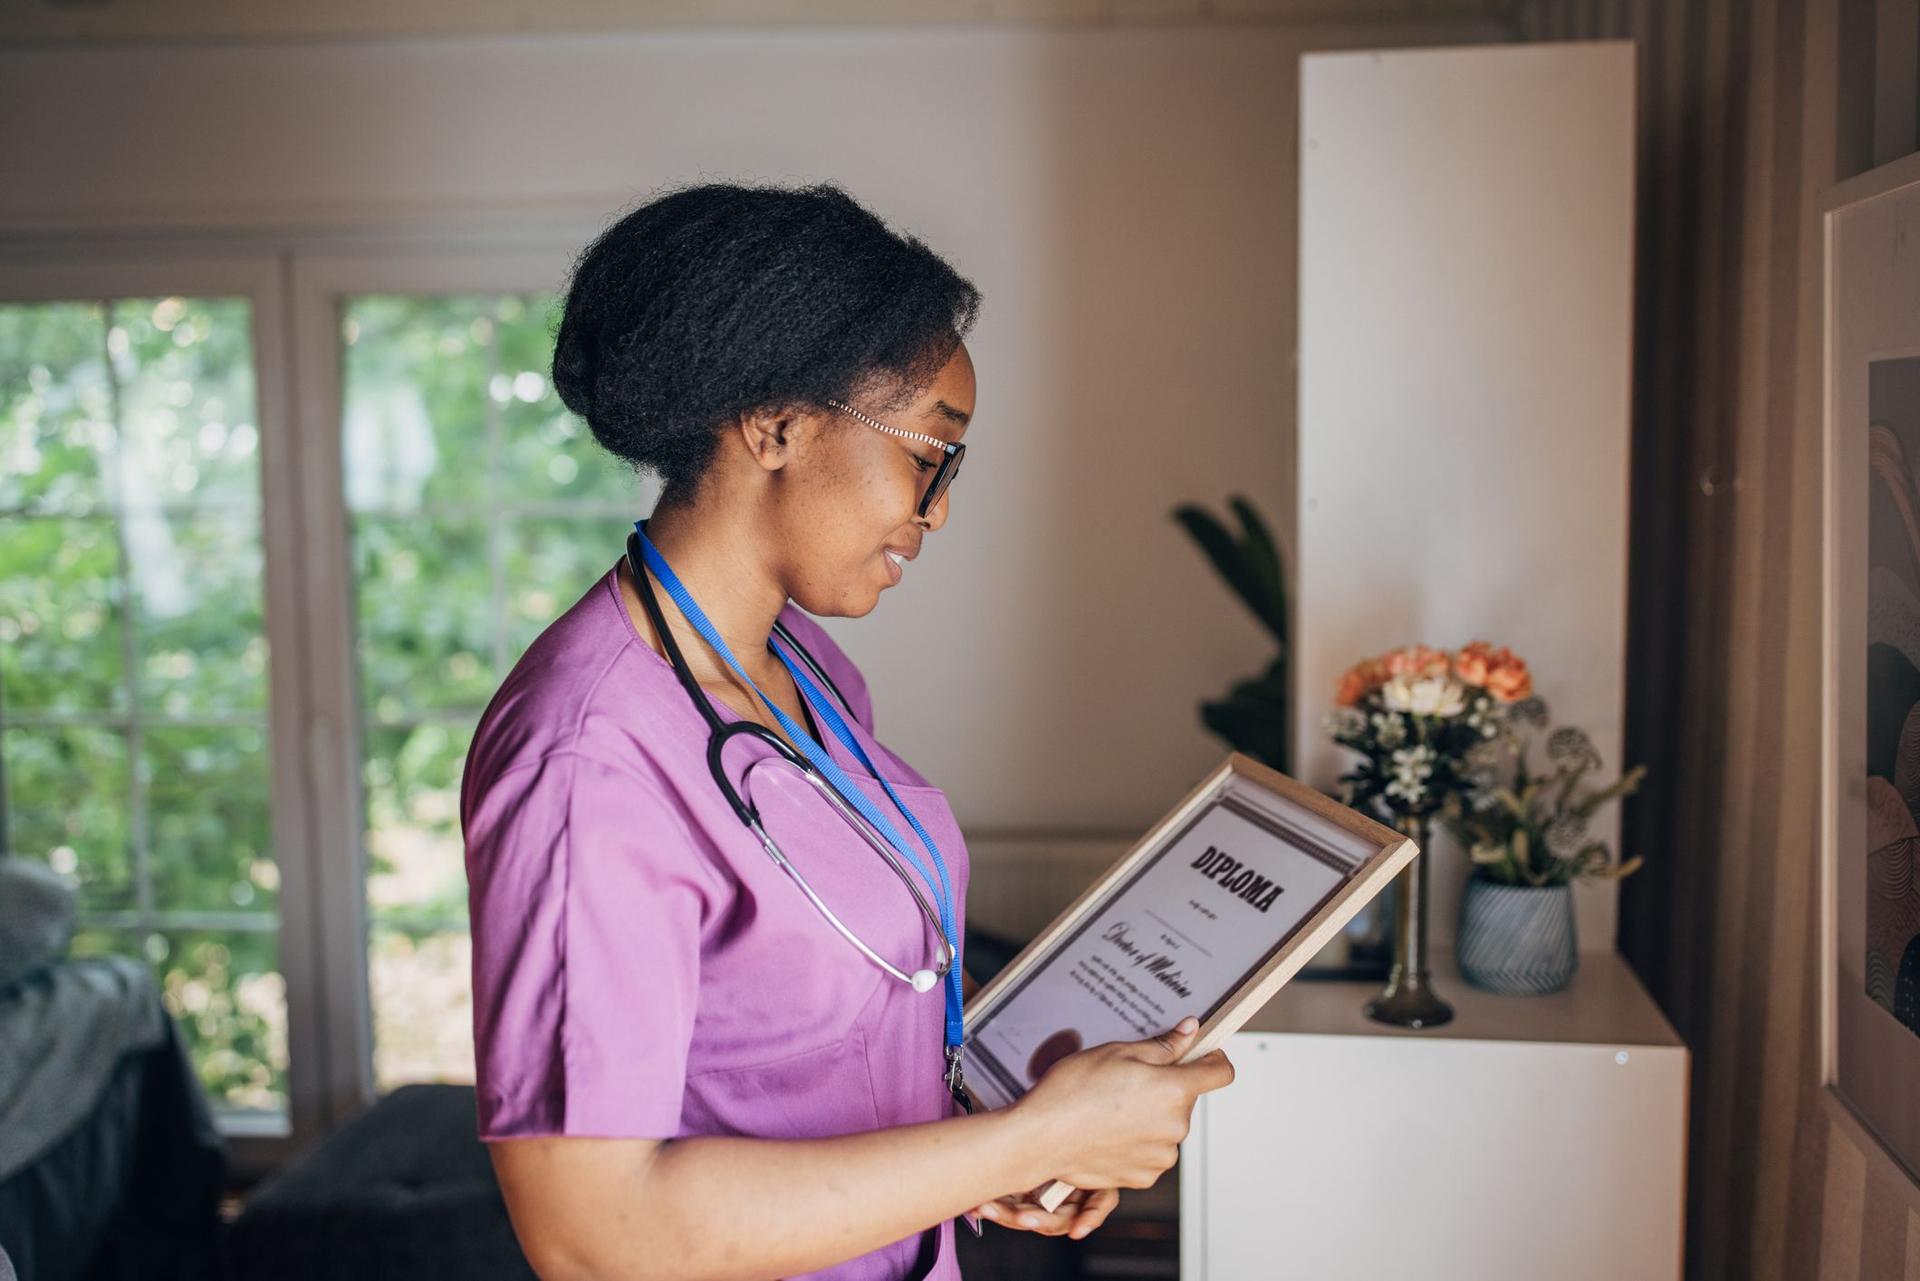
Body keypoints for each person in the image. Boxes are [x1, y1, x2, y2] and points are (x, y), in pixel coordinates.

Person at [460, 180, 1234, 1281]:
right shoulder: (587, 759)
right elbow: (595, 1238)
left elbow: (833, 1035)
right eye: (931, 454)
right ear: (775, 423)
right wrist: (1032, 1139)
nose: (941, 507)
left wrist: (1002, 1148)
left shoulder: (805, 669)